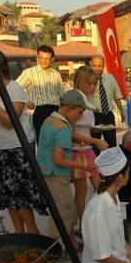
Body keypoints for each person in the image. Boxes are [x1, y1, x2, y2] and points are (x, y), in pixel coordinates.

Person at [0, 50, 46, 234]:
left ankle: (33, 235)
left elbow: (9, 122)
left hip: (17, 149)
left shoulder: (15, 89)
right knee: (8, 199)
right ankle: (19, 235)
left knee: (20, 199)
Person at [36, 90, 94, 250]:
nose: (80, 116)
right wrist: (84, 166)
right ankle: (57, 249)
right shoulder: (63, 128)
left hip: (46, 172)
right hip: (57, 175)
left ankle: (71, 244)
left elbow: (51, 146)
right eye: (79, 112)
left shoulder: (49, 120)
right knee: (63, 213)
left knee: (61, 210)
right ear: (70, 108)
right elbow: (58, 159)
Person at [71, 66, 109, 228]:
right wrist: (94, 141)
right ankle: (85, 225)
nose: (93, 87)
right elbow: (69, 131)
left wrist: (96, 132)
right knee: (84, 188)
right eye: (90, 83)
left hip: (86, 148)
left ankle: (95, 222)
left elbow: (82, 127)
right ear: (81, 82)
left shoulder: (85, 99)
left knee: (95, 185)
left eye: (94, 84)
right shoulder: (77, 101)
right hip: (78, 150)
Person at [16, 44, 64, 135]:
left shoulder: (56, 74)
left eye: (46, 59)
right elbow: (15, 89)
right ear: (37, 57)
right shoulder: (29, 73)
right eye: (41, 58)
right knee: (41, 140)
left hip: (55, 113)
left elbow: (62, 95)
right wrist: (26, 102)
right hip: (38, 113)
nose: (43, 61)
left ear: (52, 59)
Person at [89, 55, 125, 149]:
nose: (97, 68)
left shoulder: (110, 78)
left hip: (108, 116)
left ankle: (111, 159)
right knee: (94, 147)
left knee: (112, 145)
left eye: (99, 66)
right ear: (91, 65)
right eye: (94, 66)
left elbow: (116, 96)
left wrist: (122, 111)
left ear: (103, 66)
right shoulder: (86, 80)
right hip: (93, 116)